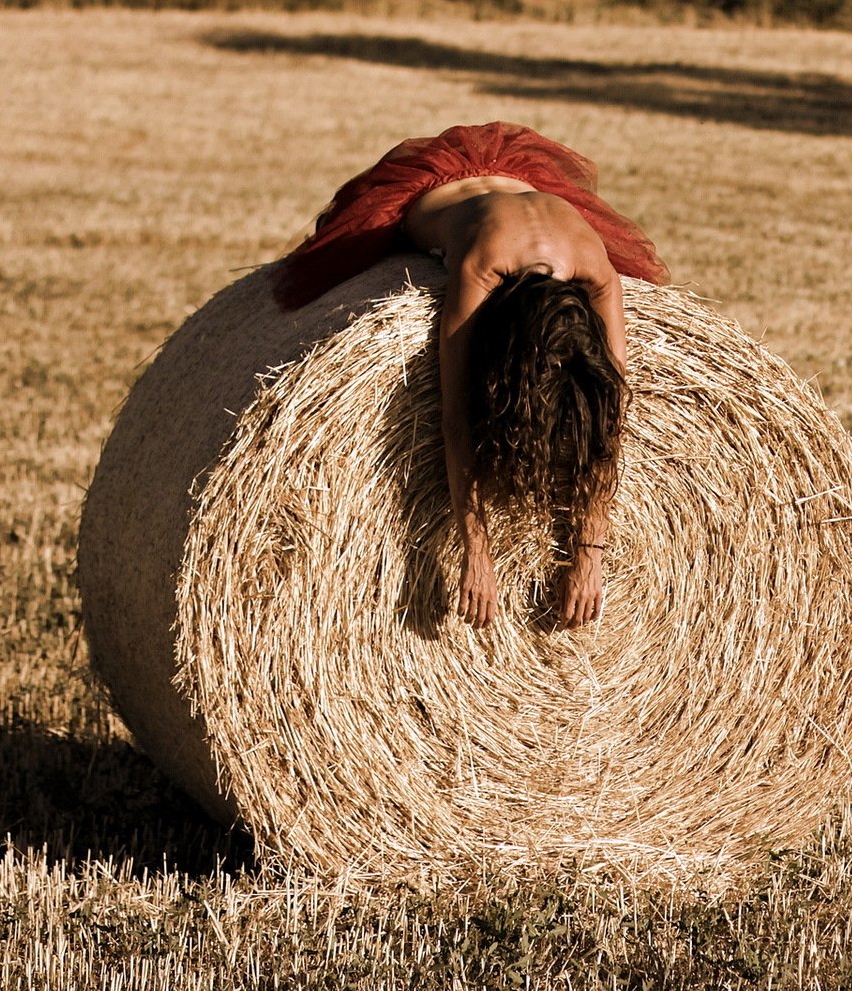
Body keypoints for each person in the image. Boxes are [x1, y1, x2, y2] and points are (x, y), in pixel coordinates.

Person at [273, 122, 669, 631]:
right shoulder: (483, 265)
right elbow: (456, 414)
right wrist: (475, 551)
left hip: (523, 185)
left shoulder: (597, 271)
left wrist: (589, 551)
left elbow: (610, 419)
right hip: (434, 193)